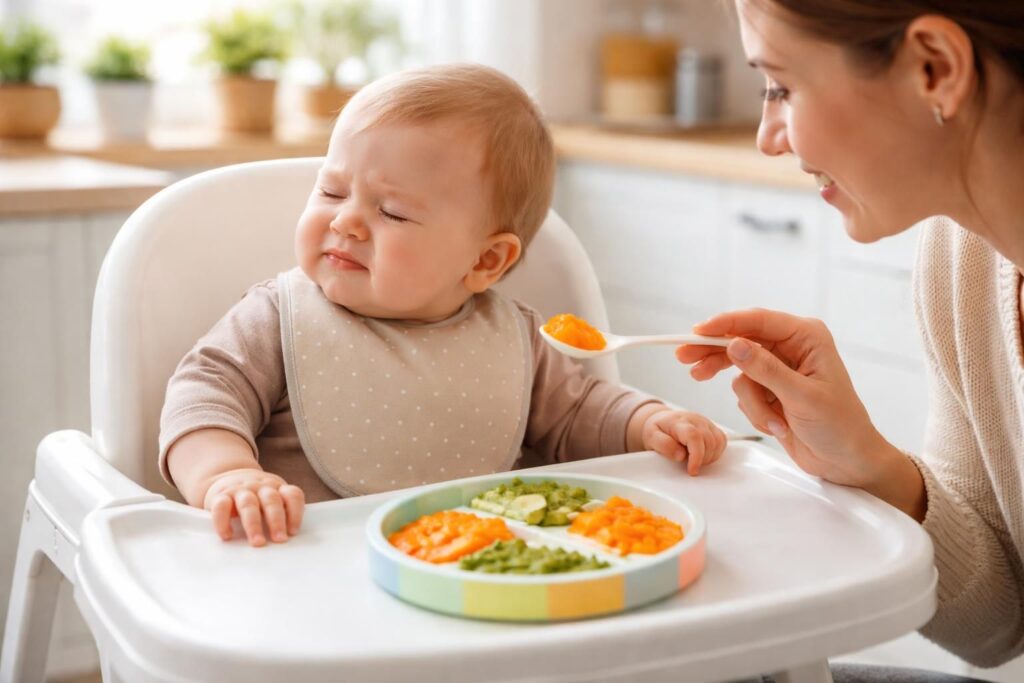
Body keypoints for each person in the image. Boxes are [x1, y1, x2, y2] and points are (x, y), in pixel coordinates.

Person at [159, 63, 728, 548]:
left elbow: (579, 415)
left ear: (485, 261)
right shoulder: (277, 318)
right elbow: (201, 395)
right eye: (331, 191)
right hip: (307, 578)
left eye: (393, 212)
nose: (344, 220)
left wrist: (650, 421)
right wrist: (227, 476)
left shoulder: (515, 339)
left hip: (479, 579)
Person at [676, 0, 1024, 679]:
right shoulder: (961, 258)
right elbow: (1001, 621)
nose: (768, 137)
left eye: (781, 86)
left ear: (936, 68)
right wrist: (865, 460)